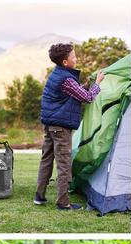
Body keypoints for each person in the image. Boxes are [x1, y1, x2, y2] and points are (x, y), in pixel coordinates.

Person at [35, 43, 105, 210]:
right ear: (65, 62)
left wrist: (86, 84)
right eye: (74, 56)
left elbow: (73, 94)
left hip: (50, 125)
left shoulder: (57, 75)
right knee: (64, 164)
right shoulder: (66, 78)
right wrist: (97, 84)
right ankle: (63, 202)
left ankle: (39, 196)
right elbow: (87, 98)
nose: (76, 58)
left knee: (46, 160)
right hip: (60, 128)